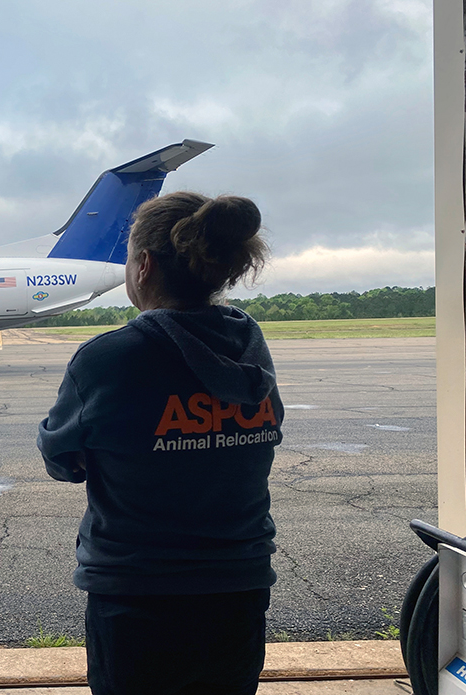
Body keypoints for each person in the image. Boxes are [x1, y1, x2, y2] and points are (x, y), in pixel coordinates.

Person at [37, 191, 283, 695]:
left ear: (143, 265)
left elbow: (62, 460)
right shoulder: (251, 349)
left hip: (138, 593)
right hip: (240, 585)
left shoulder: (109, 357)